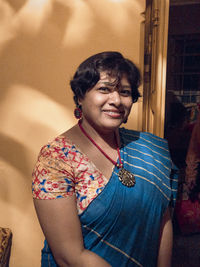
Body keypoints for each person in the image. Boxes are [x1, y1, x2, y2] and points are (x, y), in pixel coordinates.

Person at [32, 51, 178, 267]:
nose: (117, 100)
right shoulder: (55, 159)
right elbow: (70, 256)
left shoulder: (150, 148)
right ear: (80, 96)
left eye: (125, 92)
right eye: (104, 89)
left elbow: (162, 221)